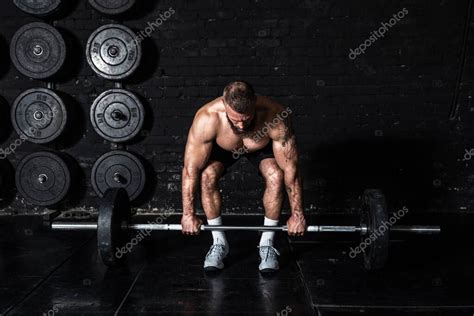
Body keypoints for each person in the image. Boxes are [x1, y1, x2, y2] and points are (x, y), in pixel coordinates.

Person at [181, 81, 306, 273]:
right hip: (223, 148)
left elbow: (292, 169)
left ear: (255, 104)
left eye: (246, 119)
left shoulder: (275, 116)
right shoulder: (207, 118)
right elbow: (190, 170)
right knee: (207, 175)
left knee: (276, 175)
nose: (240, 125)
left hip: (260, 147)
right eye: (235, 119)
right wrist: (188, 214)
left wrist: (297, 214)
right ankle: (219, 244)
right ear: (225, 104)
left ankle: (266, 244)